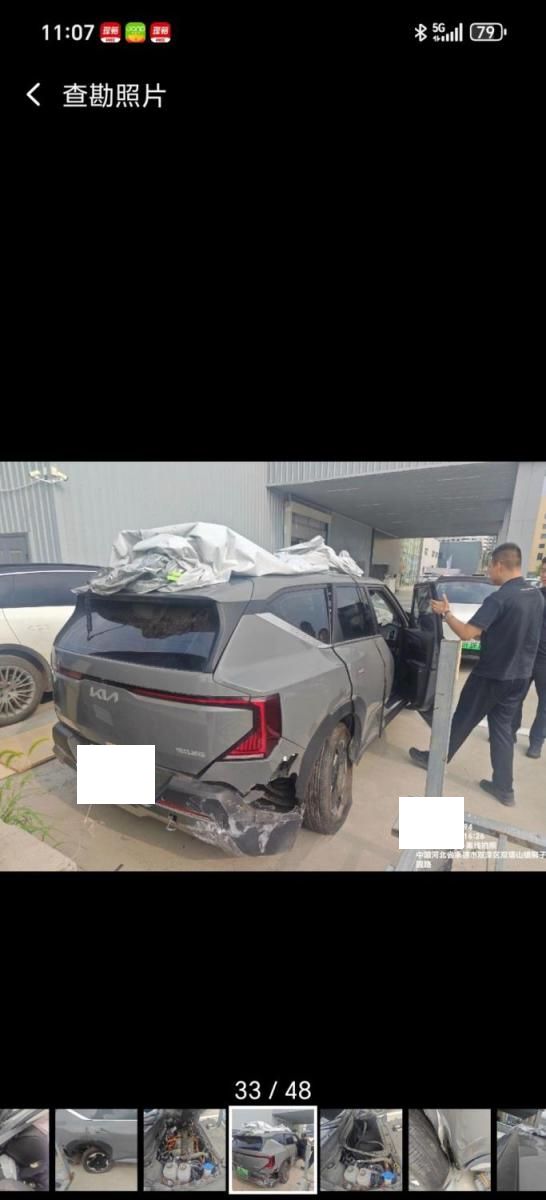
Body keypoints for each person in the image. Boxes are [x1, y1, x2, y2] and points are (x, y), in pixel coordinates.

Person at [408, 543, 544, 806]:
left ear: (499, 565)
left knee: (462, 719)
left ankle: (434, 759)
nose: (488, 571)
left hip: (492, 674)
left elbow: (467, 633)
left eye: (490, 566)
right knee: (502, 730)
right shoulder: (535, 595)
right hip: (519, 676)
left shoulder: (500, 598)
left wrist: (446, 613)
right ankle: (504, 788)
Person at [511, 557, 546, 757]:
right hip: (526, 655)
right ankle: (509, 732)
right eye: (543, 570)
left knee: (545, 705)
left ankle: (536, 743)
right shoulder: (535, 595)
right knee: (516, 695)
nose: (544, 575)